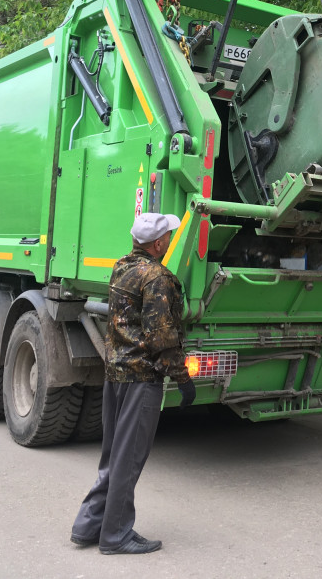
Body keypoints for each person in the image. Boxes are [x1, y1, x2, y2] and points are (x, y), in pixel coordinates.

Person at [71, 212, 197, 554]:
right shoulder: (158, 278)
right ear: (158, 244)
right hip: (141, 380)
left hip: (115, 375)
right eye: (168, 236)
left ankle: (88, 526)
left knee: (113, 455)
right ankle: (116, 536)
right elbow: (162, 337)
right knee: (129, 459)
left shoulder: (121, 268)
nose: (170, 240)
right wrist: (183, 379)